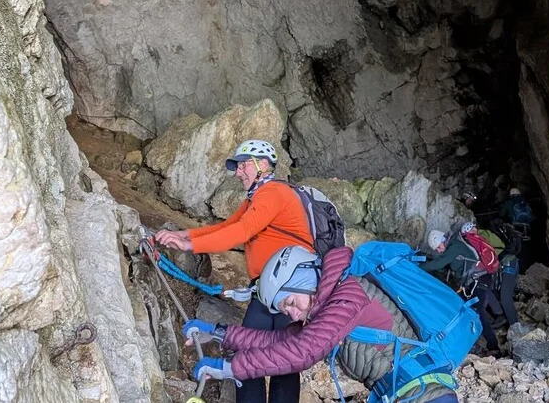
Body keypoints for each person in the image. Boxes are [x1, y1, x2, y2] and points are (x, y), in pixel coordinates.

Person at [182, 245, 462, 403]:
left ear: (305, 282)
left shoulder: (349, 295)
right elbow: (278, 341)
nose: (291, 314)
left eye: (290, 302)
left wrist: (229, 368)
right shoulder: (324, 308)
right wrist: (217, 333)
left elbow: (303, 352)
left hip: (429, 397)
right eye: (285, 309)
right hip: (404, 395)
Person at [153, 139, 311, 403]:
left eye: (242, 165)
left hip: (291, 294)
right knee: (249, 351)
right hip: (265, 292)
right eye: (237, 167)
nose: (238, 172)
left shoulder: (273, 193)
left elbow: (241, 232)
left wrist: (190, 245)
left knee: (284, 362)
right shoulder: (256, 198)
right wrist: (184, 235)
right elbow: (228, 226)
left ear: (262, 166)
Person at [420, 226, 500, 355]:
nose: (439, 251)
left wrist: (417, 268)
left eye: (439, 247)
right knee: (464, 311)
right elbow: (441, 268)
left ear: (442, 240)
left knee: (478, 313)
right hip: (477, 282)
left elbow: (438, 264)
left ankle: (494, 347)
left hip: (479, 281)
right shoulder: (453, 247)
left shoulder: (455, 246)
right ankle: (473, 344)